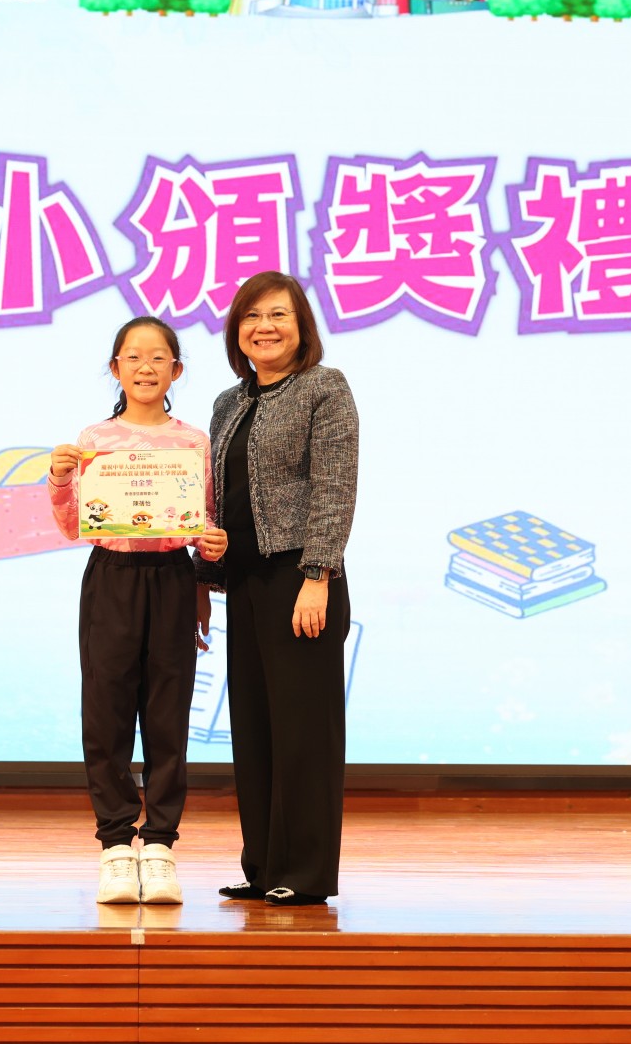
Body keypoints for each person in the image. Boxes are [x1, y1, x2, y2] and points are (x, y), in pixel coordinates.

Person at [49, 315, 228, 905]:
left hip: (173, 578)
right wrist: (60, 478)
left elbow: (202, 519)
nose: (145, 367)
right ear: (115, 368)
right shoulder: (93, 439)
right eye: (133, 357)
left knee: (167, 714)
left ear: (176, 370)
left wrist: (211, 546)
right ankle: (116, 847)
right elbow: (73, 524)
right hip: (112, 576)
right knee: (106, 713)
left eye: (158, 358)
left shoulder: (193, 441)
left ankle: (160, 846)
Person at [196, 271, 358, 907]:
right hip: (246, 581)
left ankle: (307, 872)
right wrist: (206, 575)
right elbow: (218, 498)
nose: (264, 327)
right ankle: (263, 865)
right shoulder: (227, 403)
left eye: (278, 315)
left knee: (304, 732)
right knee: (256, 727)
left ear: (301, 326)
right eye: (251, 316)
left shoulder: (324, 387)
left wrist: (317, 574)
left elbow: (335, 486)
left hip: (301, 580)